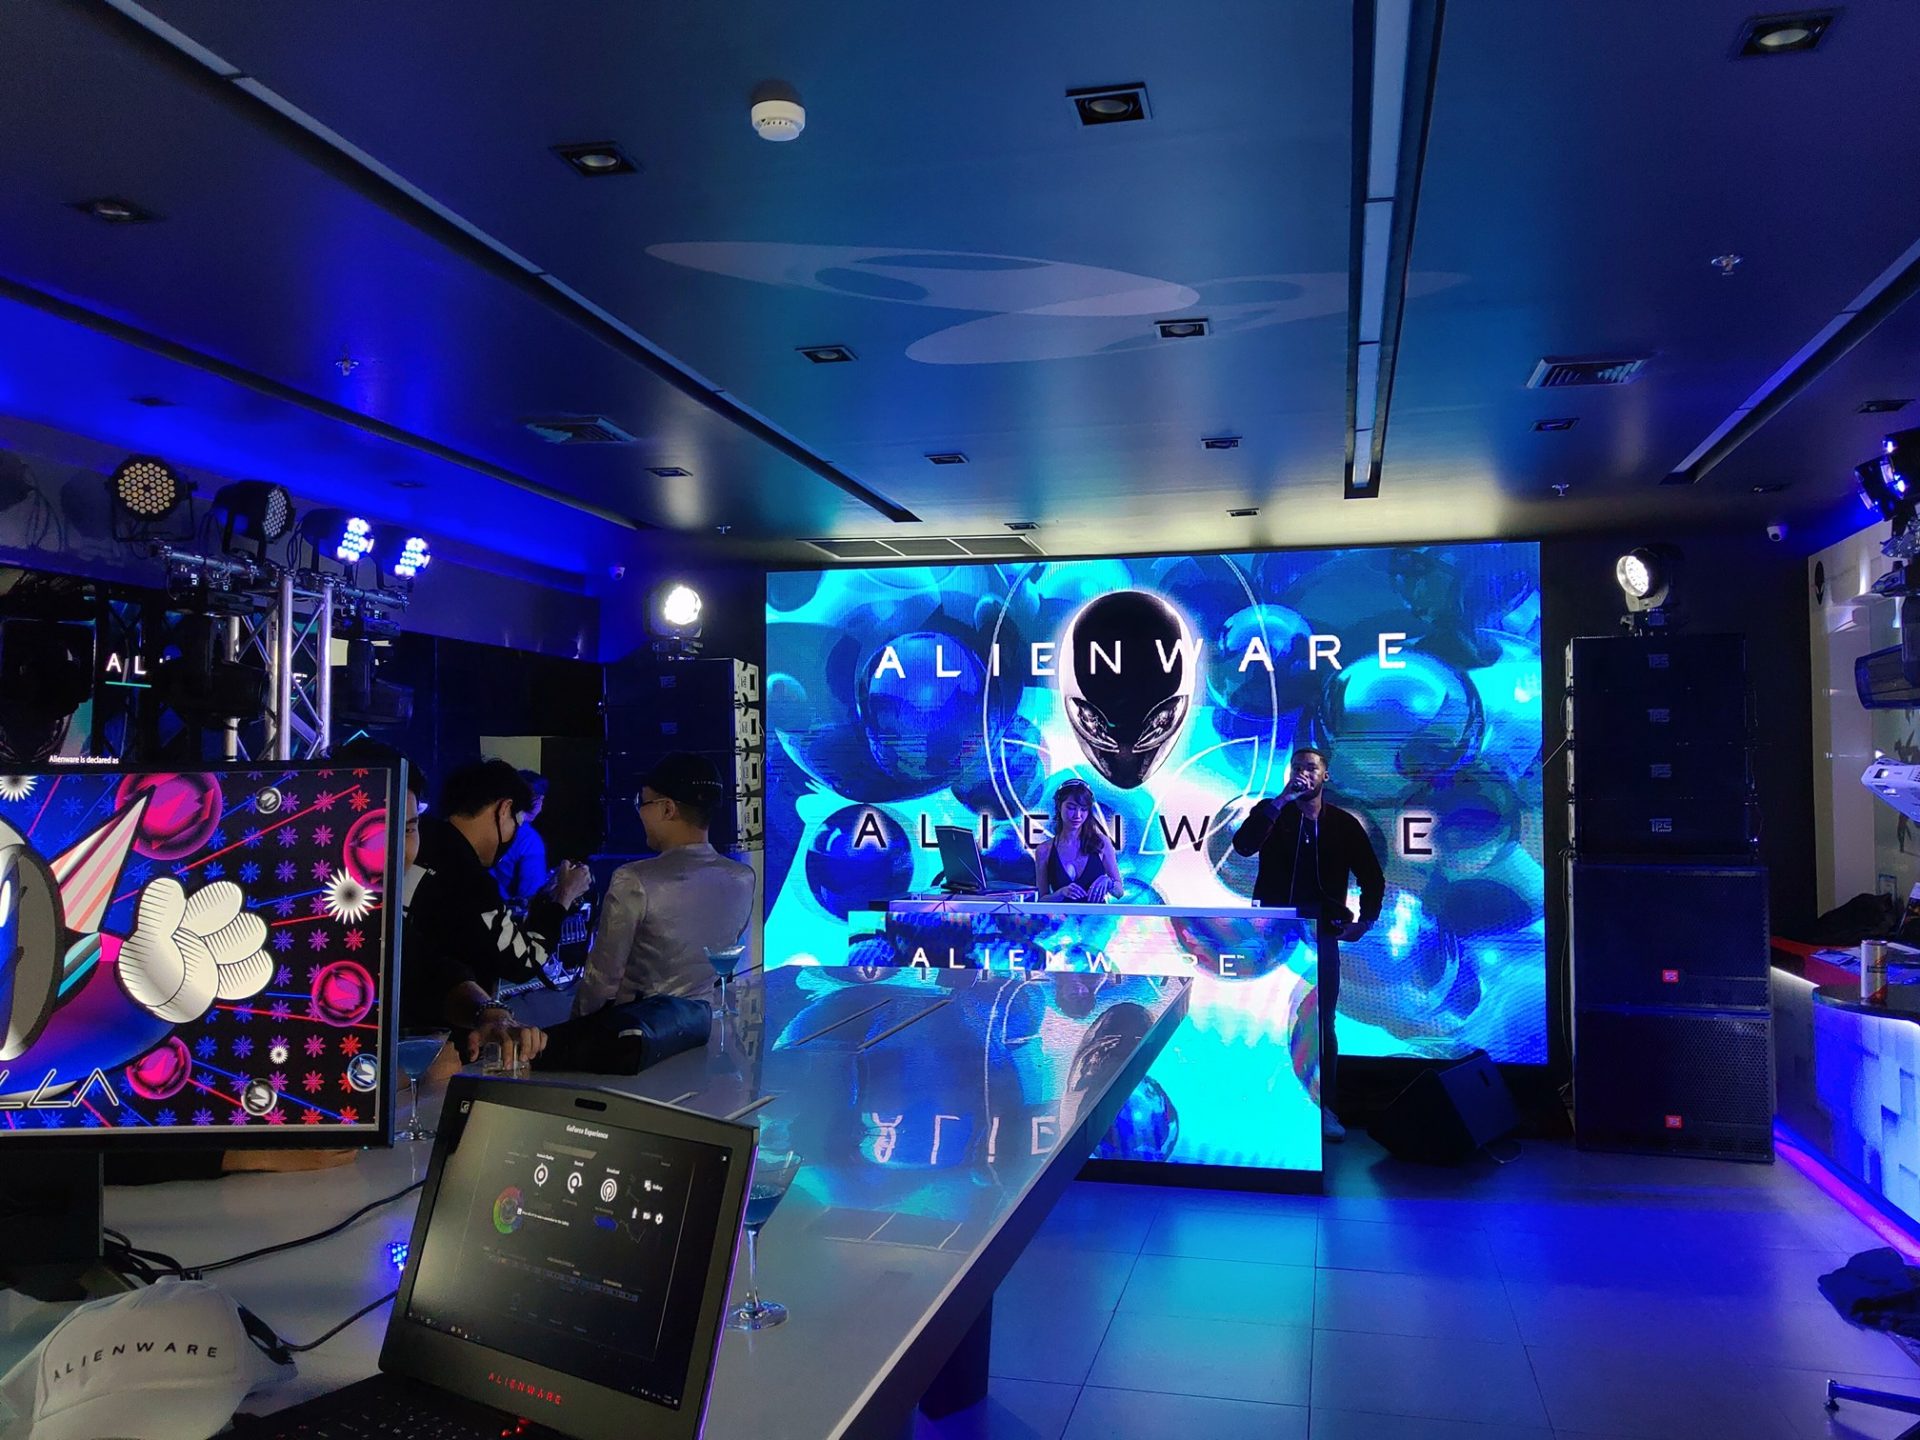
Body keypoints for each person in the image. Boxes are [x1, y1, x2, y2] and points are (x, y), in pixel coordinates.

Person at [1230, 746, 1384, 1142]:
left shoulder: (1343, 824)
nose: (1303, 773)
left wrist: (1366, 920)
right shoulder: (1273, 813)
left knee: (1321, 1020)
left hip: (1322, 932)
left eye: (1311, 768)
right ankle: (1263, 1104)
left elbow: (1372, 875)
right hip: (1273, 931)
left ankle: (1324, 1106)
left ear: (1325, 775)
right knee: (1262, 1014)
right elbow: (1243, 845)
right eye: (1297, 767)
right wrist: (1281, 801)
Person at [407, 759, 592, 1067]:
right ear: (504, 809)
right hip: (432, 1044)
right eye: (517, 823)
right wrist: (563, 897)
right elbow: (525, 960)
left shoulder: (420, 843)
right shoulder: (469, 877)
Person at [574, 753, 756, 1016]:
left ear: (667, 809)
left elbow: (602, 979)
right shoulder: (743, 878)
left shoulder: (634, 880)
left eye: (643, 802)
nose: (640, 813)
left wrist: (577, 1028)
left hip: (640, 1029)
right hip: (703, 1024)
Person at [1034, 779, 1122, 902]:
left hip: (1097, 914)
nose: (1078, 815)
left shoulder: (1102, 843)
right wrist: (1060, 893)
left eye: (1083, 809)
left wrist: (1109, 883)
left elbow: (1119, 892)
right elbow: (1042, 900)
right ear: (1059, 806)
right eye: (1071, 808)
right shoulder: (1044, 850)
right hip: (1062, 915)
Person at [490, 769, 552, 914]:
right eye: (540, 799)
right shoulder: (529, 841)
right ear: (536, 801)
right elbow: (530, 898)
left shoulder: (486, 827)